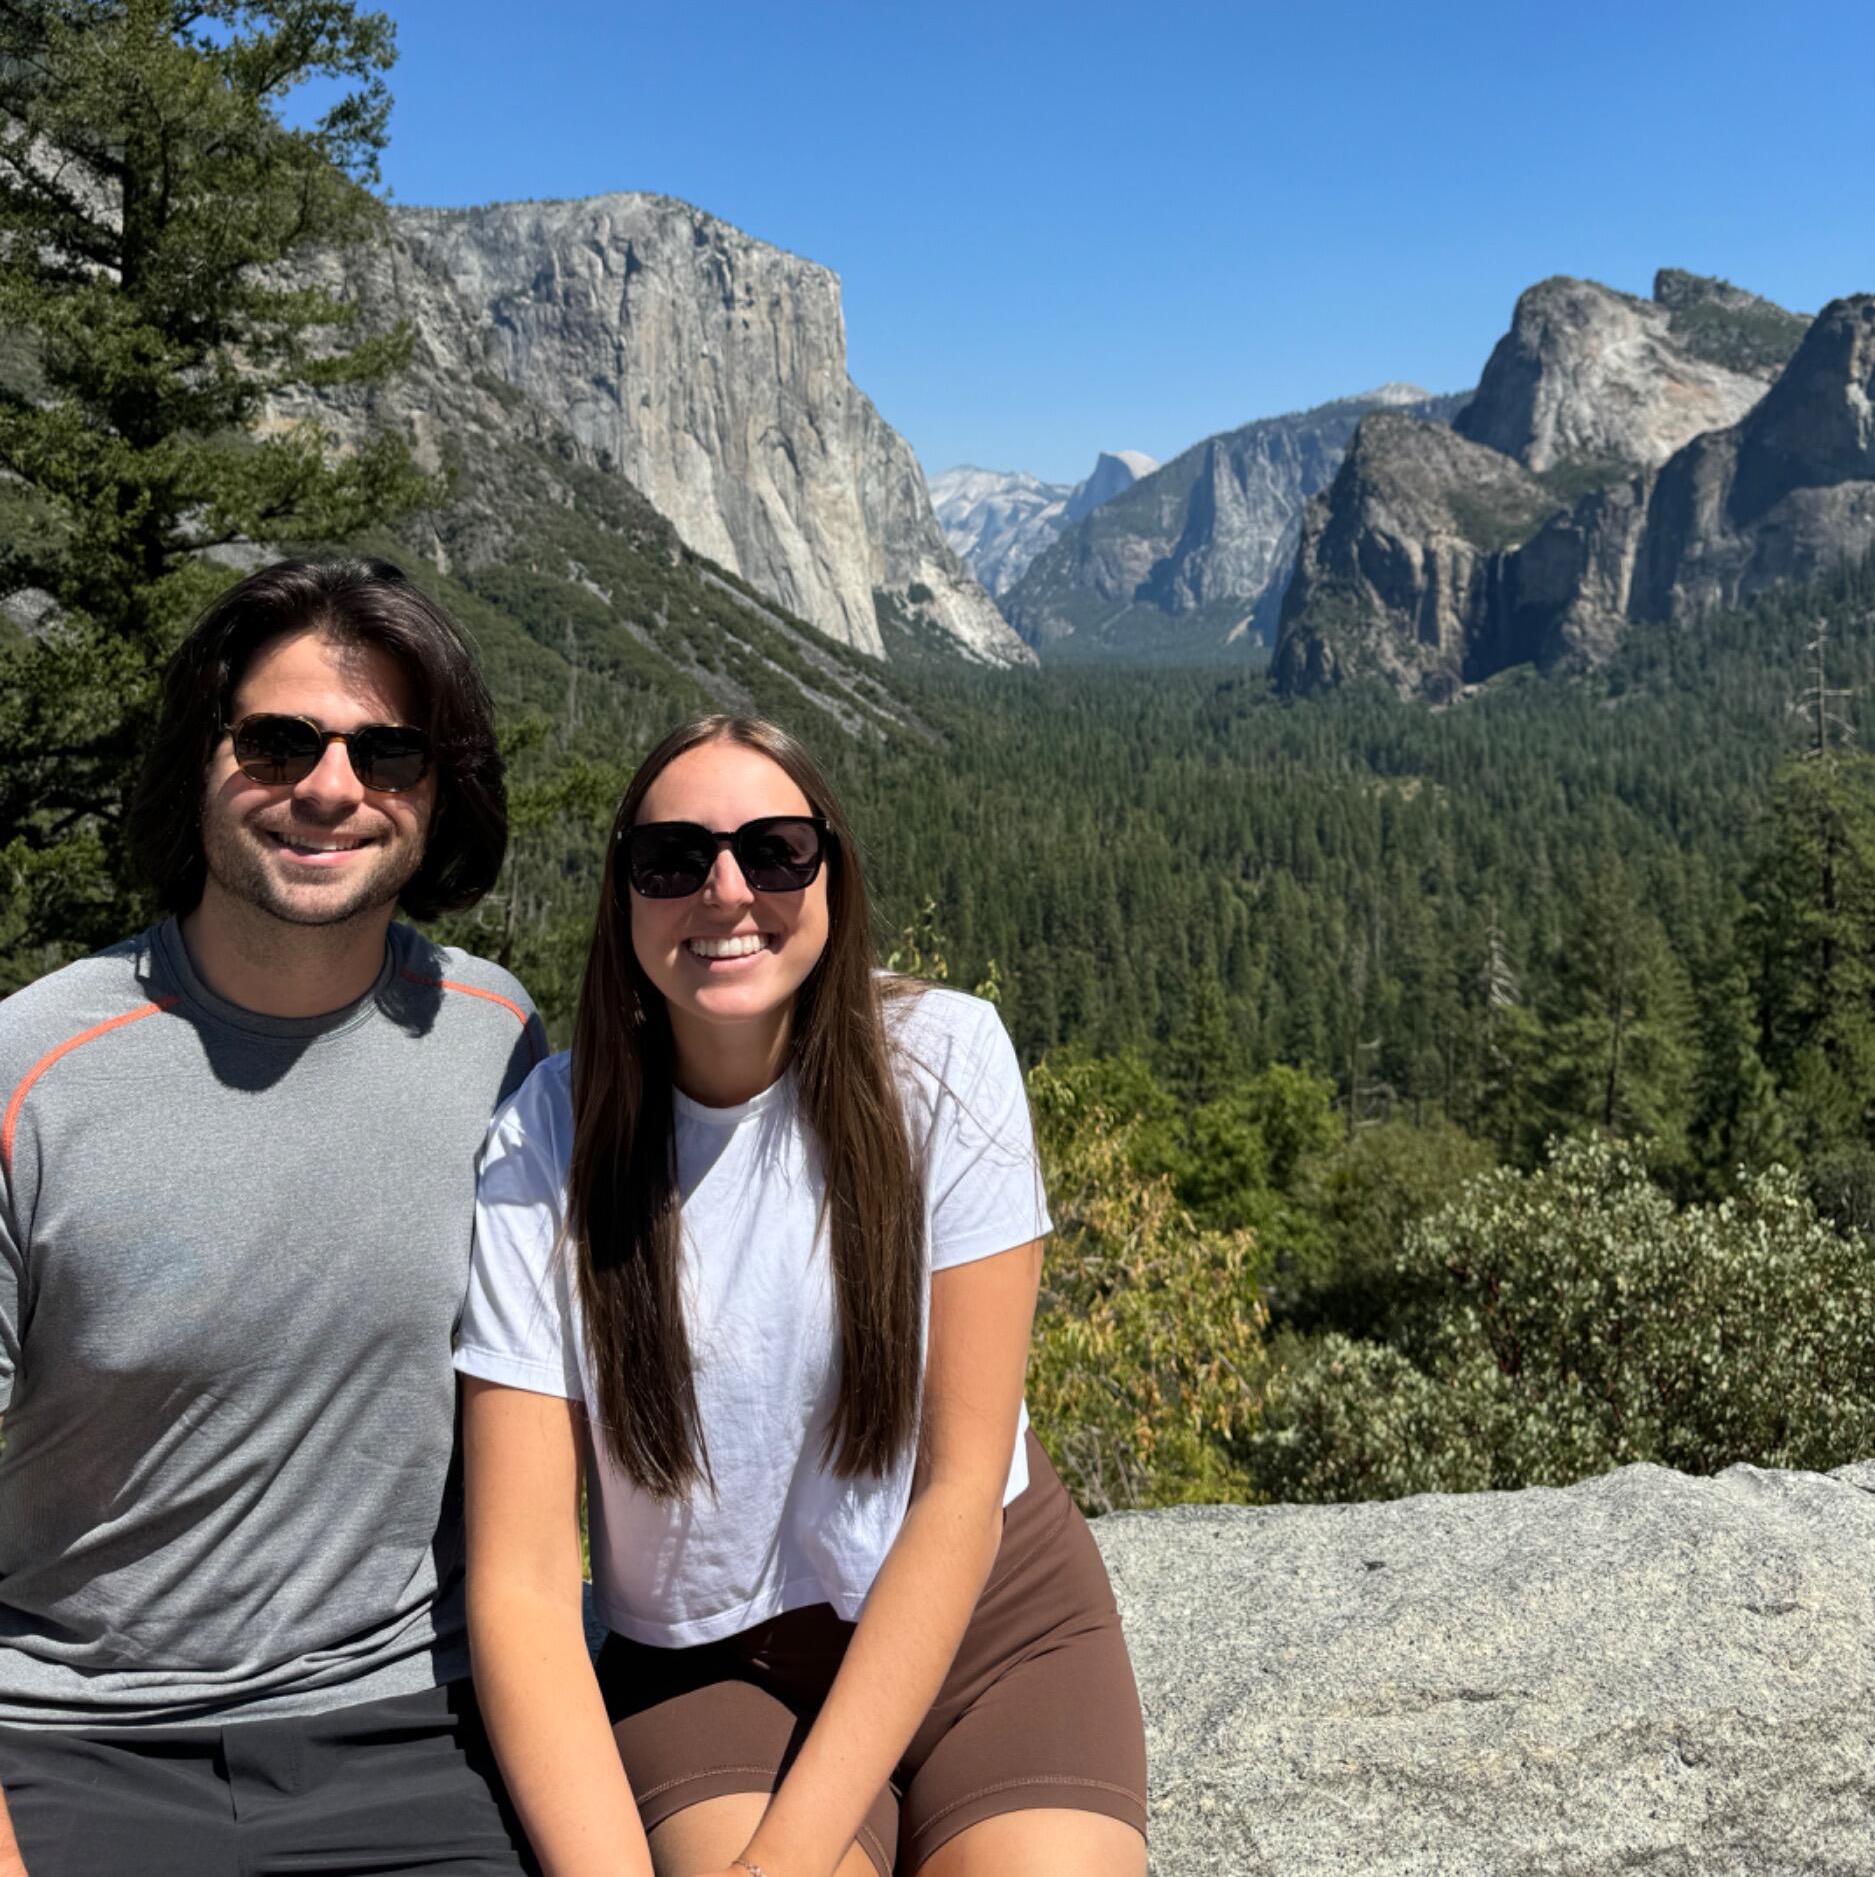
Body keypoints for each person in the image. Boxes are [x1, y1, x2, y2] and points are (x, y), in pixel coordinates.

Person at [456, 714, 1149, 1877]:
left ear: (833, 874)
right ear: (623, 897)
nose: (727, 891)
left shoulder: (945, 1061)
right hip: (714, 1664)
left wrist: (780, 1859)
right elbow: (523, 1583)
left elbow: (960, 1485)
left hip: (991, 1623)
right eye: (673, 859)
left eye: (775, 851)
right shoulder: (547, 1140)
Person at [0, 556, 548, 1877]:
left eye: (390, 752)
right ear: (202, 758)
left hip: (412, 1740)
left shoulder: (497, 1041)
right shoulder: (30, 1074)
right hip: (70, 1751)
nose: (330, 788)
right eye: (278, 740)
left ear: (437, 791)